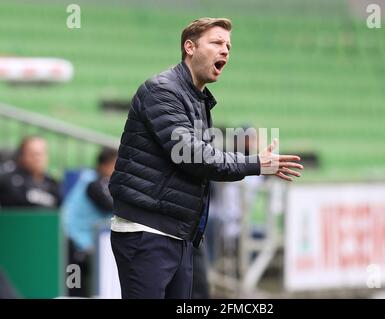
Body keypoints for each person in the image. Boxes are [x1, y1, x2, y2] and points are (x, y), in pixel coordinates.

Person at [108, 17, 303, 299]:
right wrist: (257, 163)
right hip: (147, 231)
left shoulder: (196, 99)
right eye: (216, 43)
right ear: (189, 47)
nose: (225, 50)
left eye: (228, 46)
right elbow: (195, 157)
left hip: (178, 233)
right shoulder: (162, 90)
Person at [62, 147, 117, 297]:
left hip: (87, 244)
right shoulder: (92, 183)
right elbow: (110, 206)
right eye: (115, 165)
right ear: (105, 164)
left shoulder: (97, 181)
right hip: (76, 243)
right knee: (78, 291)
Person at [0, 135, 61, 209]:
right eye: (33, 154)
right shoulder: (9, 181)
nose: (38, 159)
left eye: (41, 154)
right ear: (22, 156)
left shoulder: (52, 183)